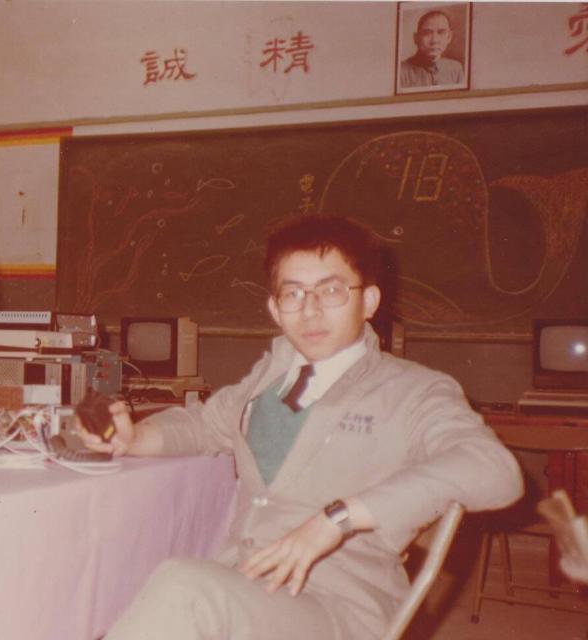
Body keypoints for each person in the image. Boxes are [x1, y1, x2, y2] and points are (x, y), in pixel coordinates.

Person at [76, 214, 523, 639]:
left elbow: (494, 471)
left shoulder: (413, 390)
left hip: (339, 608)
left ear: (368, 301)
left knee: (182, 587)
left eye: (330, 291)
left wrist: (340, 518)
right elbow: (201, 425)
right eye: (293, 294)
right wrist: (134, 436)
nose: (309, 310)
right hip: (246, 586)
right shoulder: (268, 379)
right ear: (275, 308)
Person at [399, 9, 465, 89]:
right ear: (416, 38)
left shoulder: (455, 68)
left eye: (441, 32)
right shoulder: (401, 71)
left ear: (449, 37)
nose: (434, 40)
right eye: (427, 33)